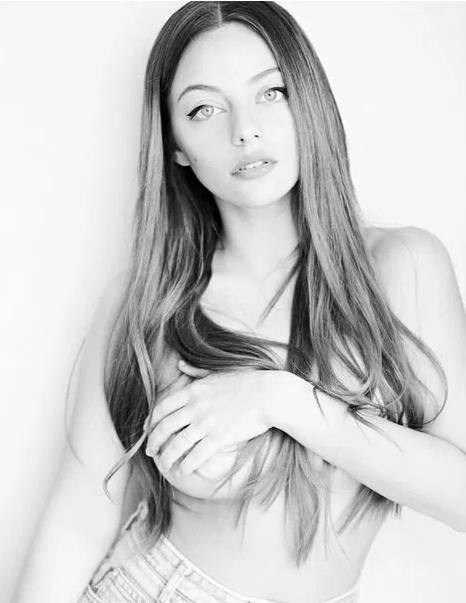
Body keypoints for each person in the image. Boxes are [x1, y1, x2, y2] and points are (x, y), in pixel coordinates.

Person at [13, 2, 466, 602]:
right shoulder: (150, 300)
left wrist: (281, 400)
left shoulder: (402, 267)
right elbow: (78, 516)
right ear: (176, 145)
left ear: (309, 101)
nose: (244, 130)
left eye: (271, 93)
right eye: (204, 109)